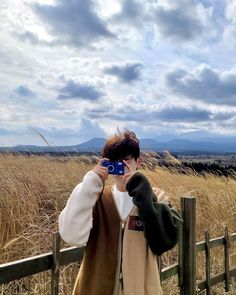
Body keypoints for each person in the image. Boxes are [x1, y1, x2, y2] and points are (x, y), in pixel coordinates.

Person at [59, 130, 181, 295]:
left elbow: (164, 242)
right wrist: (91, 183)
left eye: (126, 160)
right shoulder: (96, 198)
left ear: (138, 162)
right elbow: (72, 236)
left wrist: (141, 189)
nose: (120, 166)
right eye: (114, 162)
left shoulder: (156, 198)